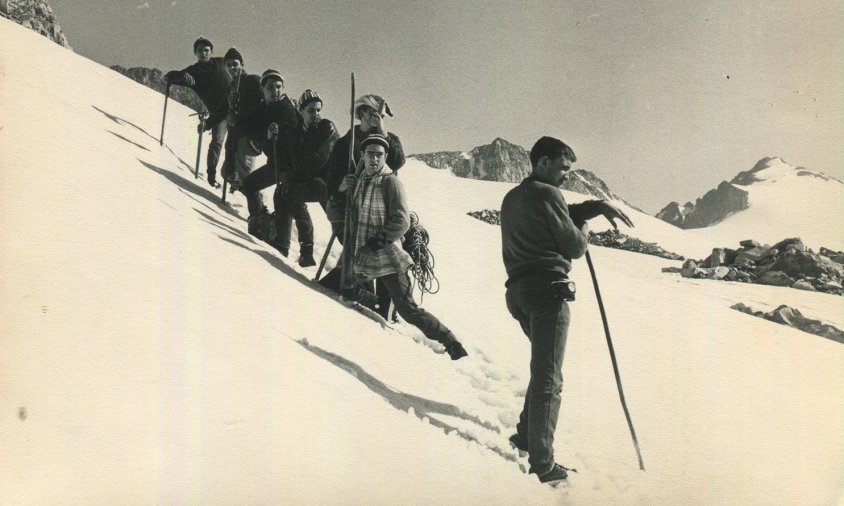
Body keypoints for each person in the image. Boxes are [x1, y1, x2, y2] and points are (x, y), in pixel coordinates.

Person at [500, 136, 634, 484]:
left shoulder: (514, 197)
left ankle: (525, 436)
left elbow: (553, 215)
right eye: (562, 168)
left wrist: (593, 206)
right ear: (543, 162)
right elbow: (574, 246)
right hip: (548, 292)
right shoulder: (549, 193)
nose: (566, 177)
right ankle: (543, 464)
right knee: (549, 378)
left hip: (518, 292)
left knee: (542, 367)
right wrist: (585, 227)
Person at [340, 132, 467, 361]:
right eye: (370, 154)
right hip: (363, 254)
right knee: (345, 288)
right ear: (362, 155)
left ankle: (450, 340)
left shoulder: (391, 182)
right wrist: (341, 190)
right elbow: (345, 215)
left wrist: (373, 244)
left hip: (388, 255)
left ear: (386, 157)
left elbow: (401, 221)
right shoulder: (359, 183)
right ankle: (378, 306)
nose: (374, 160)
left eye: (379, 155)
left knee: (408, 310)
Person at [319, 95, 404, 312]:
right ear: (362, 114)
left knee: (388, 255)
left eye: (381, 116)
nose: (377, 118)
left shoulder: (386, 140)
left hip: (381, 215)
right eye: (374, 114)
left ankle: (384, 307)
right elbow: (332, 186)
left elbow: (398, 161)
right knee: (362, 260)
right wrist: (341, 188)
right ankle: (371, 302)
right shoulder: (345, 144)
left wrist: (383, 132)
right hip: (352, 215)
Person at [241, 88, 339, 266]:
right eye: (311, 110)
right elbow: (289, 158)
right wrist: (270, 138)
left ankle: (301, 249)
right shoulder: (299, 133)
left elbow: (317, 160)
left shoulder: (327, 128)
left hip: (331, 182)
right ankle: (286, 246)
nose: (316, 114)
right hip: (311, 180)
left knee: (341, 226)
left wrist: (293, 179)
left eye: (318, 110)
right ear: (301, 111)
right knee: (285, 193)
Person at [164, 37, 232, 187]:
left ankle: (234, 180)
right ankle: (211, 176)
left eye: (206, 50)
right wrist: (182, 75)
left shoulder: (222, 62)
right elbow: (169, 77)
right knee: (217, 143)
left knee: (235, 146)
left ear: (211, 51)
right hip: (218, 116)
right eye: (200, 51)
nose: (203, 53)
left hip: (236, 111)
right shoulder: (193, 71)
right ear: (195, 53)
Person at [219, 48, 264, 191]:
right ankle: (256, 204)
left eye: (235, 64)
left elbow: (260, 109)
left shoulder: (253, 81)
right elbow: (224, 109)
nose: (232, 68)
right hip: (236, 138)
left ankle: (261, 209)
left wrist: (238, 115)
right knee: (227, 172)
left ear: (242, 64)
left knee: (246, 177)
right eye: (228, 65)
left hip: (249, 138)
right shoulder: (231, 88)